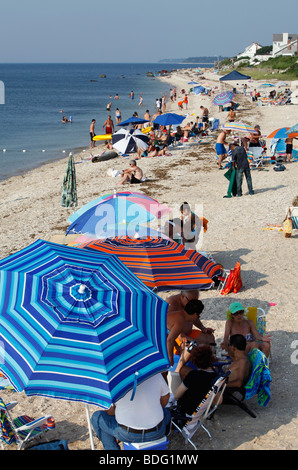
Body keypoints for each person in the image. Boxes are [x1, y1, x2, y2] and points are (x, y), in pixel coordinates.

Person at [91, 373, 171, 450]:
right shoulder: (154, 373)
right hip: (157, 431)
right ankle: (164, 436)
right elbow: (165, 399)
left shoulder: (114, 381)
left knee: (96, 417)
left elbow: (110, 412)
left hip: (127, 434)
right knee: (167, 412)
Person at [166, 299, 215, 366]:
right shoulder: (181, 321)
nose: (197, 318)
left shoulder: (181, 314)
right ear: (195, 315)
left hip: (161, 333)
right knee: (192, 346)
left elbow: (169, 333)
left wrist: (176, 345)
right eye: (198, 316)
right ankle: (178, 370)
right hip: (158, 334)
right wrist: (170, 359)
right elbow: (169, 340)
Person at [174, 345, 218, 415]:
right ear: (211, 359)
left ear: (195, 361)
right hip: (203, 410)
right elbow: (219, 401)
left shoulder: (193, 375)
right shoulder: (216, 377)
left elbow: (176, 395)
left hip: (187, 412)